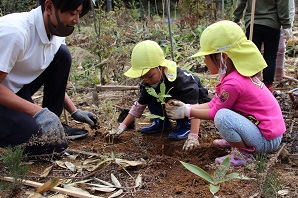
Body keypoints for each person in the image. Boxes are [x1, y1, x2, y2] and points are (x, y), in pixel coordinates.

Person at [165, 20, 286, 166]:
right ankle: (240, 141)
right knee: (223, 114)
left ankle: (242, 154)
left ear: (223, 57)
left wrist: (186, 111)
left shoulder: (233, 83)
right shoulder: (233, 76)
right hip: (267, 133)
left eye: (207, 56)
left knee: (222, 117)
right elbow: (213, 103)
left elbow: (214, 112)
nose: (204, 60)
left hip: (267, 140)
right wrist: (187, 108)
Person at [0, 0, 97, 156]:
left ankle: (52, 124)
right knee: (49, 144)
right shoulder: (15, 33)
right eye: (72, 13)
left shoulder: (55, 32)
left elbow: (52, 74)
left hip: (13, 88)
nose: (76, 20)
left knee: (62, 55)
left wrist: (74, 111)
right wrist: (38, 112)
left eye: (79, 13)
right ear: (49, 7)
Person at [108, 40, 210, 151]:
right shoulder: (148, 84)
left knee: (175, 102)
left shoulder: (183, 82)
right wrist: (122, 127)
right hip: (170, 101)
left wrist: (193, 136)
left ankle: (185, 125)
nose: (147, 80)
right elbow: (139, 105)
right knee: (150, 96)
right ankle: (161, 123)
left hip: (194, 104)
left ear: (161, 67)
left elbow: (194, 107)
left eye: (150, 76)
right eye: (142, 77)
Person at [233, 0, 291, 92]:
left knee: (252, 55)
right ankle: (267, 87)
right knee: (270, 56)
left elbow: (241, 1)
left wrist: (236, 18)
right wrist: (286, 24)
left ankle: (252, 86)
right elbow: (282, 4)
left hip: (253, 23)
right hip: (272, 23)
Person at [275, 0, 295, 80]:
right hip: (269, 20)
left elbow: (290, 8)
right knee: (261, 48)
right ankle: (258, 75)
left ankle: (279, 74)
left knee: (281, 48)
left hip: (281, 22)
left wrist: (288, 25)